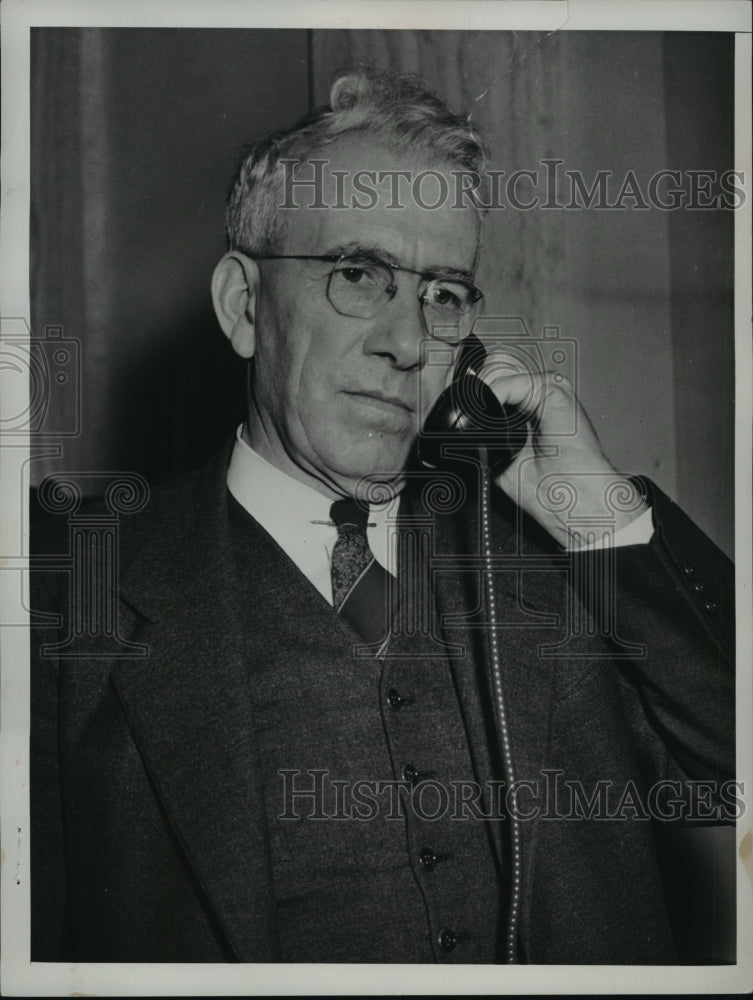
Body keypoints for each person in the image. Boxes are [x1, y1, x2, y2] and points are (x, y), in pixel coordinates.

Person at [30, 67, 735, 965]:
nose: (405, 343)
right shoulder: (70, 596)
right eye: (357, 273)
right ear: (244, 306)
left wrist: (598, 516)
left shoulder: (556, 572)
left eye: (441, 294)